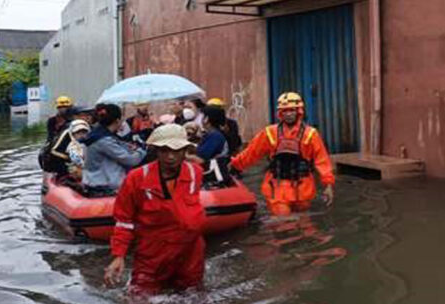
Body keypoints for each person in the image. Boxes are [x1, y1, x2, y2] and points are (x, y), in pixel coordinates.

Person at [104, 124, 205, 294]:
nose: (170, 157)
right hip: (153, 252)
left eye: (176, 150)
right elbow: (124, 220)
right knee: (140, 294)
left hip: (190, 250)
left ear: (185, 150)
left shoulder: (195, 173)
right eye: (164, 150)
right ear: (156, 151)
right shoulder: (136, 178)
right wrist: (119, 255)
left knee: (194, 293)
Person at [229, 92, 335, 216]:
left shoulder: (311, 134)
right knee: (282, 221)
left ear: (299, 112)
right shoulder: (269, 133)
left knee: (304, 223)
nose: (288, 114)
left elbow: (322, 160)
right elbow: (251, 153)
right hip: (277, 187)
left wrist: (328, 185)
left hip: (303, 188)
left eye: (292, 110)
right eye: (285, 111)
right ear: (280, 113)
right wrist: (233, 164)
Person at [81, 104, 146, 195]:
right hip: (104, 188)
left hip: (94, 184)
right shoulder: (103, 140)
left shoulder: (96, 135)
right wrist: (142, 150)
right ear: (117, 120)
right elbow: (130, 160)